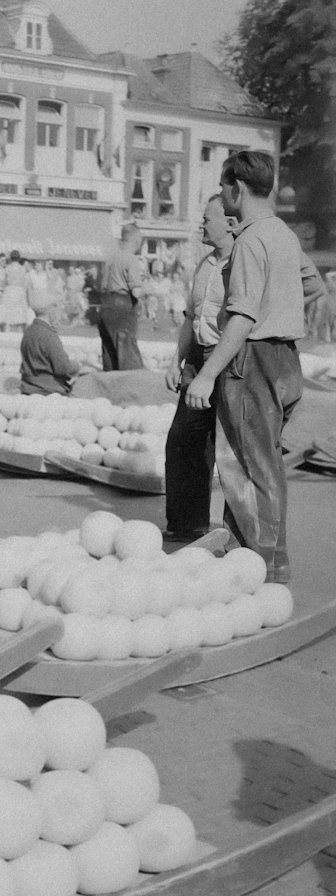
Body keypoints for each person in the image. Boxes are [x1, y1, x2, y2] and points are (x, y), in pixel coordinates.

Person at [185, 151, 322, 583]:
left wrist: (207, 374)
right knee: (267, 463)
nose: (222, 195)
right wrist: (280, 306)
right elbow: (313, 284)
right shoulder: (282, 233)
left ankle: (259, 564)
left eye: (224, 187)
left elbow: (242, 316)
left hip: (254, 360)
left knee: (243, 464)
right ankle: (262, 553)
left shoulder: (249, 240)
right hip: (286, 359)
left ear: (236, 188)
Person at [163, 194, 234, 542]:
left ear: (229, 223)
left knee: (232, 448)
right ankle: (187, 524)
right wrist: (176, 360)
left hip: (230, 361)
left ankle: (238, 533)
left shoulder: (242, 264)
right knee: (183, 441)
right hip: (197, 358)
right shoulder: (205, 265)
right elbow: (190, 318)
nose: (201, 225)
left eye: (207, 219)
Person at [98, 224, 145, 370]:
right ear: (137, 242)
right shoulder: (131, 259)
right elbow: (136, 291)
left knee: (109, 356)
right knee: (127, 357)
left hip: (105, 307)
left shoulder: (109, 259)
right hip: (122, 308)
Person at [19, 290, 79, 396]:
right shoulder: (48, 335)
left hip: (29, 386)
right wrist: (78, 365)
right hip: (48, 390)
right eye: (57, 309)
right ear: (51, 310)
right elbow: (64, 368)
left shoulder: (28, 331)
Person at [0, 250, 29, 331]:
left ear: (11, 258)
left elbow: (4, 281)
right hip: (19, 291)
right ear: (19, 258)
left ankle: (6, 335)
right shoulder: (23, 269)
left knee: (8, 317)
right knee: (19, 317)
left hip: (9, 290)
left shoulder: (7, 268)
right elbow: (25, 282)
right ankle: (19, 337)